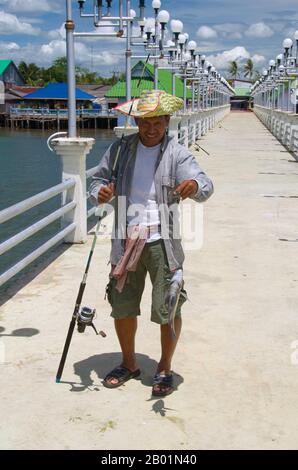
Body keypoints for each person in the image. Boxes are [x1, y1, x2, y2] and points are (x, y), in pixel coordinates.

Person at [89, 89, 214, 396]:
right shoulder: (120, 149)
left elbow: (206, 184)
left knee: (168, 308)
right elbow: (96, 180)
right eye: (146, 121)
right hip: (125, 241)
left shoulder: (177, 153)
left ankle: (164, 368)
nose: (152, 127)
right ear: (137, 121)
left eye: (158, 121)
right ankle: (129, 363)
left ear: (167, 121)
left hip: (162, 244)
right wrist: (100, 192)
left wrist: (193, 184)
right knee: (122, 306)